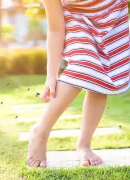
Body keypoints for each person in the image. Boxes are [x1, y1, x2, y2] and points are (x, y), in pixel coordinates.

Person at [27, 0, 130, 168]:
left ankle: (84, 144)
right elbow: (55, 29)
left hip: (112, 19)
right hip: (79, 21)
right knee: (85, 64)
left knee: (102, 81)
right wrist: (51, 75)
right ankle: (41, 131)